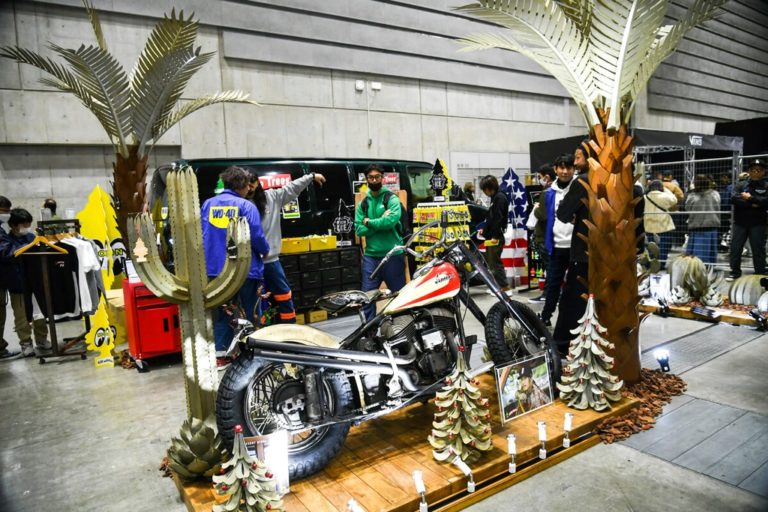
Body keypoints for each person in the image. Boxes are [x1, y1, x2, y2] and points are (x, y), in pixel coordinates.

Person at [555, 162, 644, 356]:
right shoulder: (635, 189)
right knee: (611, 305)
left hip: (585, 257)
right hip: (620, 261)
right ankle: (612, 348)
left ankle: (564, 347)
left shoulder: (585, 182)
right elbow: (639, 229)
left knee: (574, 303)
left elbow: (562, 214)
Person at [201, 167, 270, 355]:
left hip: (217, 272)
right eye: (248, 185)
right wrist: (265, 251)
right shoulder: (246, 206)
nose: (249, 189)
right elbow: (256, 236)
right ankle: (254, 356)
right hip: (245, 270)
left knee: (223, 316)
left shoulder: (208, 205)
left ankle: (221, 356)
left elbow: (202, 234)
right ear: (242, 185)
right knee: (251, 315)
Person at [249, 171, 326, 323]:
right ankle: (258, 331)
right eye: (246, 184)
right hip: (250, 263)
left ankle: (290, 327)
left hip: (271, 260)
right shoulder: (238, 203)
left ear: (258, 183)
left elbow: (292, 188)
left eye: (252, 183)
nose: (249, 187)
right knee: (253, 300)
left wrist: (310, 176)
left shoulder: (271, 197)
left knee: (284, 295)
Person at [355, 164, 406, 322]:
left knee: (398, 297)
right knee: (366, 297)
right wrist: (379, 222)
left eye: (377, 177)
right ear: (366, 179)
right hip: (371, 257)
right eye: (371, 177)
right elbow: (359, 230)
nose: (374, 180)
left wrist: (369, 222)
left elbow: (390, 222)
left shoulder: (391, 199)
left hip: (393, 255)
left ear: (382, 178)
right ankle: (369, 331)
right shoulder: (363, 203)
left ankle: (401, 327)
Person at [0, 208, 50, 358]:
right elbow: (9, 256)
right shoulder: (7, 241)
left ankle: (42, 339)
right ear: (14, 225)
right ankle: (26, 343)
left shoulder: (32, 237)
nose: (27, 227)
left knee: (40, 314)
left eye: (28, 224)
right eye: (24, 224)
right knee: (22, 316)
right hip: (18, 285)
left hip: (36, 283)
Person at [532, 155, 575, 325]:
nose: (565, 171)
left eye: (568, 167)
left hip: (576, 247)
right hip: (556, 246)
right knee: (553, 285)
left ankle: (572, 319)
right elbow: (546, 217)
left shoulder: (579, 188)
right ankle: (546, 317)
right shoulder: (548, 193)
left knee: (575, 286)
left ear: (574, 169)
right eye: (561, 168)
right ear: (555, 170)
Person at [729, 159, 768, 279]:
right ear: (749, 171)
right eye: (753, 170)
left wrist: (750, 198)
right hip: (740, 222)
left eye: (759, 170)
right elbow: (734, 198)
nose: (756, 172)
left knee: (758, 250)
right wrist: (754, 204)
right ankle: (735, 272)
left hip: (758, 223)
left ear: (764, 172)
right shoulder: (741, 184)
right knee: (735, 248)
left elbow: (766, 201)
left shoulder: (766, 185)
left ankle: (760, 274)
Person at [527, 165, 556, 303]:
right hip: (553, 235)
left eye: (539, 177)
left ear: (547, 177)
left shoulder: (546, 192)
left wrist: (536, 209)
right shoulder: (557, 191)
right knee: (552, 267)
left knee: (550, 268)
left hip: (544, 236)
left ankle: (548, 294)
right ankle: (551, 294)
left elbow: (543, 214)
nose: (538, 180)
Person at [479, 174, 510, 291]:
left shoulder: (500, 198)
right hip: (491, 235)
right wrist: (485, 229)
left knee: (495, 263)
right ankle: (497, 286)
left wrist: (495, 236)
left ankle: (504, 287)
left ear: (489, 188)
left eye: (484, 189)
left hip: (496, 236)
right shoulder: (495, 197)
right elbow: (491, 218)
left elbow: (498, 218)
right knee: (491, 263)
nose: (484, 192)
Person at [685, 174, 720, 264]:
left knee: (697, 253)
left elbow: (687, 208)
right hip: (712, 225)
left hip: (697, 226)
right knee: (711, 250)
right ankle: (709, 267)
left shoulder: (692, 195)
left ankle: (697, 268)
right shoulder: (715, 194)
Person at [644, 180, 678, 270]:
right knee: (664, 245)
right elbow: (674, 200)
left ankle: (652, 261)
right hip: (664, 225)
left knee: (651, 245)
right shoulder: (665, 196)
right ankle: (661, 264)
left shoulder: (645, 197)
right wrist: (665, 189)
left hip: (649, 225)